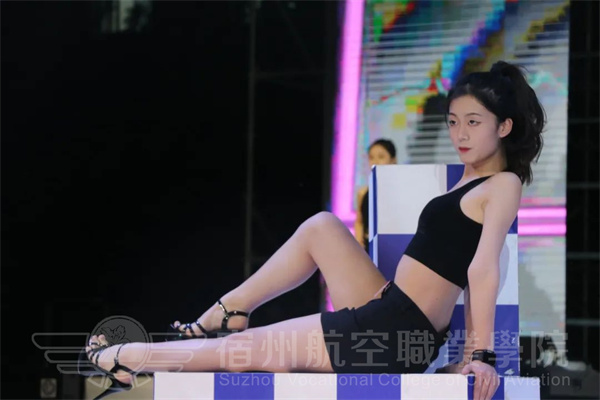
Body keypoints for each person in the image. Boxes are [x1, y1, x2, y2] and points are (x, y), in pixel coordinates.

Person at [79, 60, 545, 400]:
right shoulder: (467, 181)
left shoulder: (503, 183)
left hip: (393, 333)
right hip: (390, 311)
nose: (460, 134)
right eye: (454, 122)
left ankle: (129, 357)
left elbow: (483, 269)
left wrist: (481, 357)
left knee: (246, 351)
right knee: (322, 227)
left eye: (474, 123)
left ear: (504, 127)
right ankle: (229, 309)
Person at [354, 138, 397, 253]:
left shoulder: (399, 192)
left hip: (392, 248)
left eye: (381, 157)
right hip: (367, 249)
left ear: (393, 160)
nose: (375, 162)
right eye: (371, 157)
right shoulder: (363, 193)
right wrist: (358, 244)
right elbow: (359, 222)